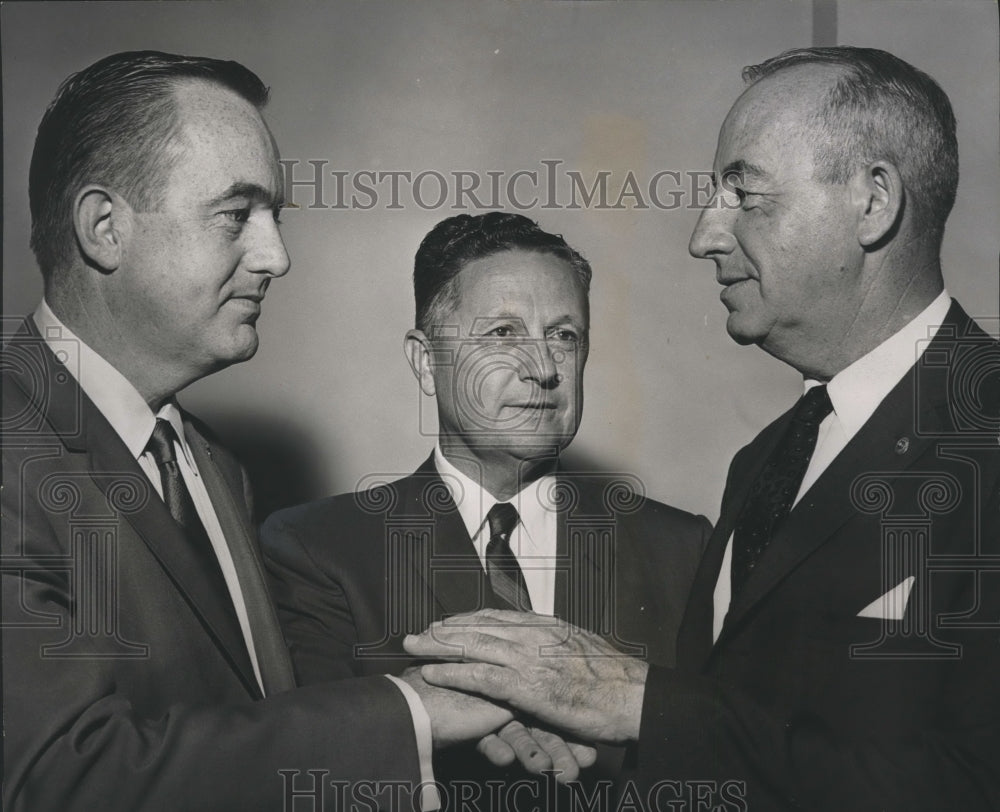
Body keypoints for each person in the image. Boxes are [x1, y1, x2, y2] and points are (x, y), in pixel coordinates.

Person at [405, 47, 1000, 811]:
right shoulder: (766, 460)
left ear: (873, 202)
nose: (703, 235)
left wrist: (643, 705)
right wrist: (611, 744)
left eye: (743, 194)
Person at [1, 51, 540, 812]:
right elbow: (60, 781)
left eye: (275, 218)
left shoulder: (209, 462)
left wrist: (430, 702)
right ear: (103, 228)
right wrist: (409, 715)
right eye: (235, 215)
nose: (276, 257)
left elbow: (241, 722)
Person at [261, 212, 711, 797]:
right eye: (503, 334)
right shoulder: (317, 548)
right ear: (426, 361)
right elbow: (313, 767)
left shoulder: (682, 548)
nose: (545, 369)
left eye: (564, 335)